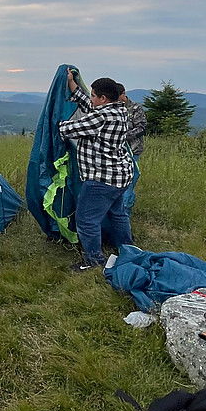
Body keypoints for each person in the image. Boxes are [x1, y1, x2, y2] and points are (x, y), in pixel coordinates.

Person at [58, 69, 133, 271]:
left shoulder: (103, 117)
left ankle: (93, 262)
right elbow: (90, 109)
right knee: (118, 214)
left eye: (93, 95)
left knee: (86, 219)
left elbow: (68, 129)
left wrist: (54, 121)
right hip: (119, 176)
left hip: (102, 179)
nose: (90, 98)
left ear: (103, 98)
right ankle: (128, 250)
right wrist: (72, 83)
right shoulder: (119, 111)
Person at [117, 83, 147, 217]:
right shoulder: (115, 108)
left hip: (133, 150)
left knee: (129, 183)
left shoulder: (135, 108)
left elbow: (142, 128)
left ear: (123, 94)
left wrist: (124, 136)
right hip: (116, 152)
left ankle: (126, 213)